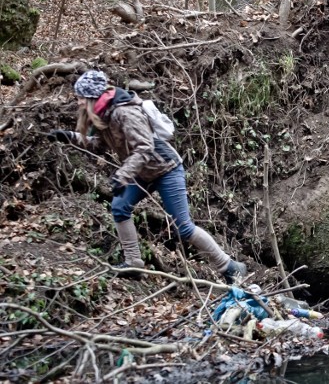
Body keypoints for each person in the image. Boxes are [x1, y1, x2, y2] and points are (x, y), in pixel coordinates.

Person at [47, 70, 247, 284]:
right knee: (119, 207)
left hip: (166, 168)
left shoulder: (124, 113)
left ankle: (230, 267)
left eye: (79, 97)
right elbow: (99, 145)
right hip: (142, 171)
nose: (77, 102)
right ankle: (133, 262)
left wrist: (123, 175)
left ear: (91, 97)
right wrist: (70, 137)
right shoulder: (103, 114)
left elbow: (145, 148)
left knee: (184, 226)